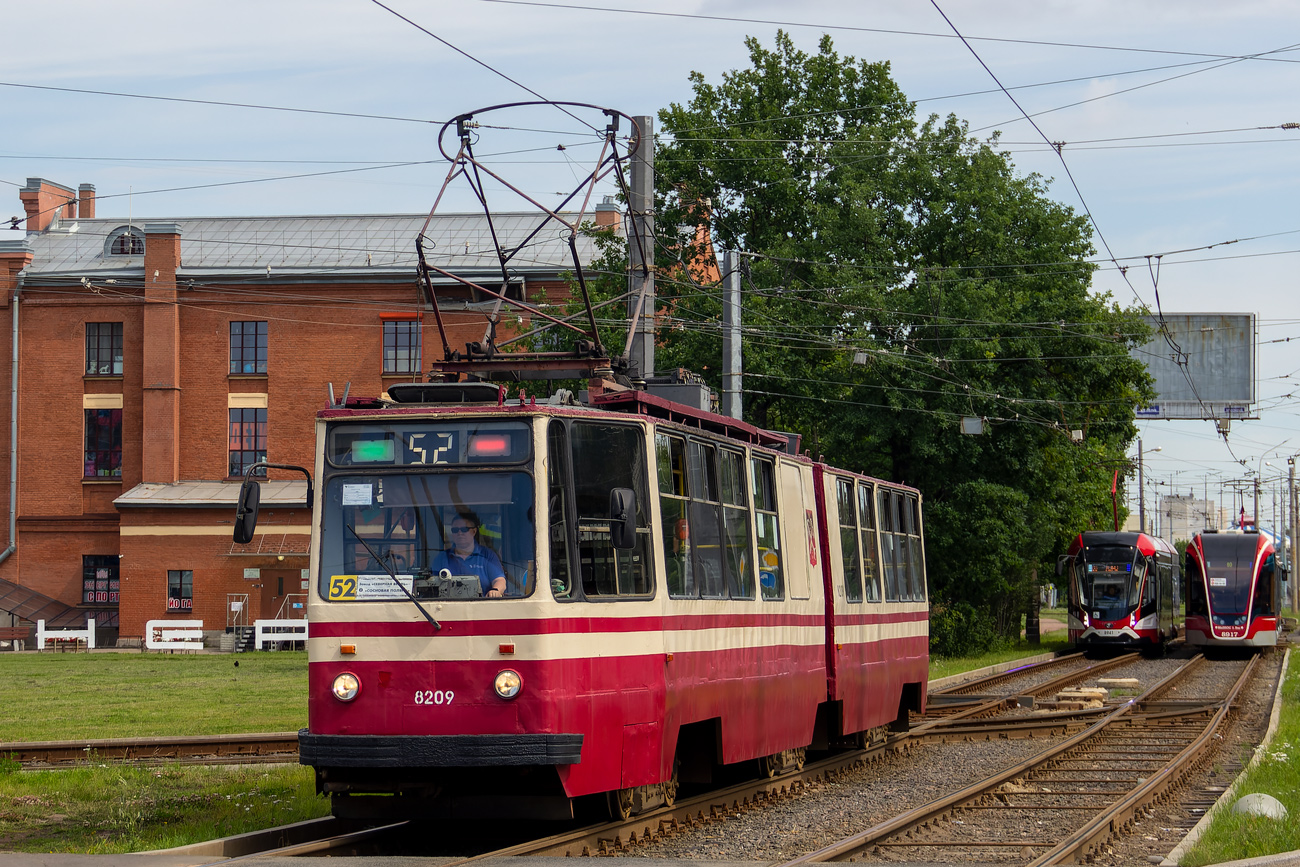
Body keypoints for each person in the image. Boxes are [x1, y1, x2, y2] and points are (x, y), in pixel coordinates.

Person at [431, 513, 507, 597]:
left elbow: (499, 580)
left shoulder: (487, 555)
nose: (459, 533)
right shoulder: (441, 558)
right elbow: (432, 584)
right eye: (455, 530)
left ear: (474, 531)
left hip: (483, 607)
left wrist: (495, 590)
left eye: (464, 529)